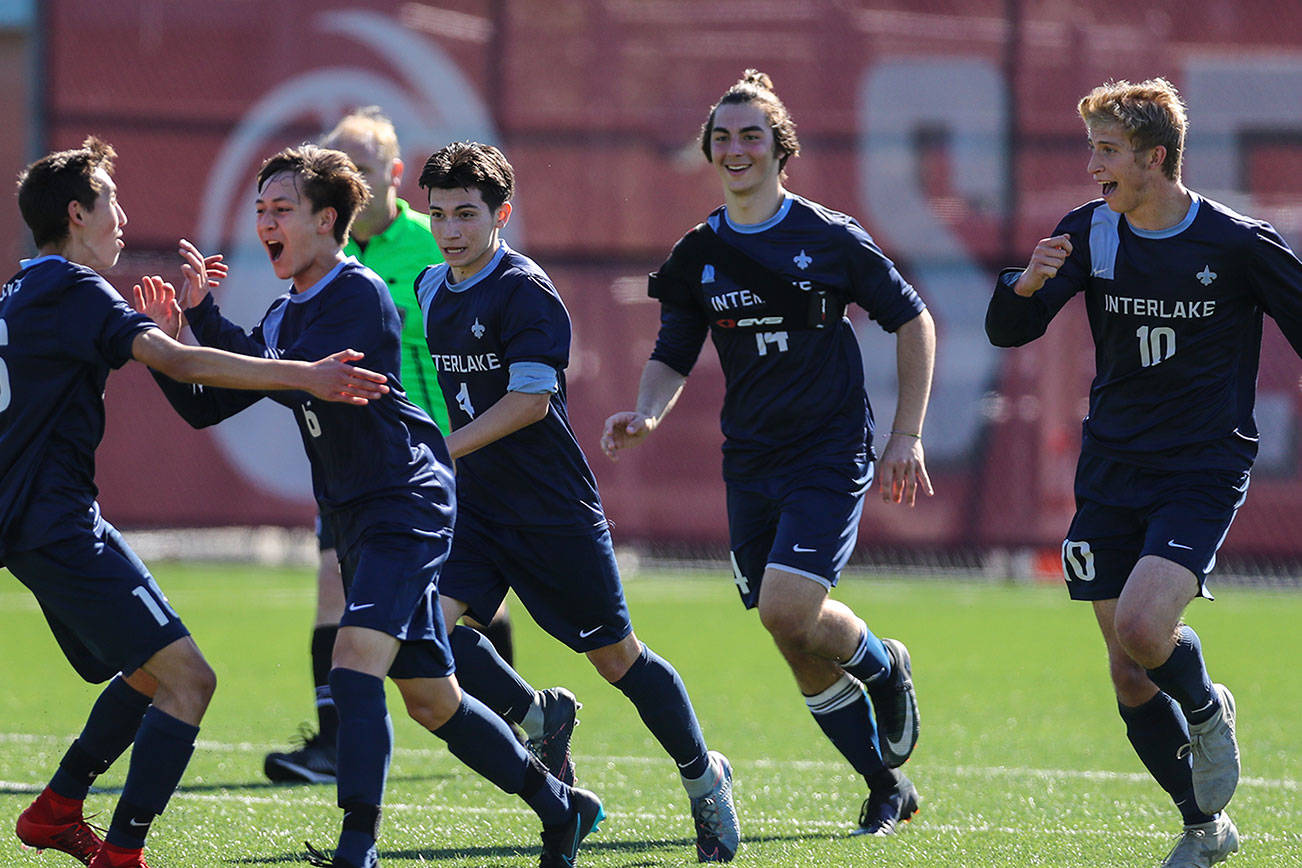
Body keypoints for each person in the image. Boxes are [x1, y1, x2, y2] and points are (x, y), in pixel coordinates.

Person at [146, 144, 602, 868]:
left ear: (327, 221)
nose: (265, 222)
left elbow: (290, 377)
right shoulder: (287, 314)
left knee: (354, 664)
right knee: (432, 700)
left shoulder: (356, 293)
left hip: (406, 504)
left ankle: (357, 847)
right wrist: (183, 334)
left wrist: (198, 348)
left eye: (281, 209)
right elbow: (210, 405)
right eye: (260, 210)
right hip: (356, 515)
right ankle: (562, 807)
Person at [4, 138, 390, 868]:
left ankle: (57, 808)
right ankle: (123, 855)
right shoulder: (74, 289)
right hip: (55, 526)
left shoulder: (23, 290)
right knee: (190, 680)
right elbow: (179, 366)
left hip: (38, 523)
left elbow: (184, 381)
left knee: (148, 669)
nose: (123, 217)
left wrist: (189, 321)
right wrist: (305, 375)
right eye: (112, 201)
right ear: (79, 213)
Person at [601, 70, 936, 837]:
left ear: (780, 149)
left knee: (789, 607)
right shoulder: (697, 254)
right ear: (709, 154)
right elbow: (674, 349)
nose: (735, 147)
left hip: (828, 449)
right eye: (722, 136)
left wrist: (904, 436)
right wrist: (646, 413)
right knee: (789, 633)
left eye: (752, 134)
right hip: (749, 460)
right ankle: (885, 785)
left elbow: (912, 320)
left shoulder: (829, 237)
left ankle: (884, 670)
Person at [984, 78, 1302, 868]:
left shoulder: (1234, 244)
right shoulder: (1090, 233)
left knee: (1141, 627)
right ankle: (1204, 828)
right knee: (1128, 674)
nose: (1094, 166)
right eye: (1092, 148)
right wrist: (1023, 286)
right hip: (1112, 467)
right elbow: (1008, 331)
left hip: (1200, 466)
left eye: (1108, 151)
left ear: (1157, 158)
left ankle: (1205, 705)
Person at [414, 140, 741, 863]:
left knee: (617, 660)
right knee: (425, 635)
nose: (450, 230)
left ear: (502, 213)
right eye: (438, 214)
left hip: (549, 510)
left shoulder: (524, 290)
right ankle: (536, 715)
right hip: (476, 509)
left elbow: (531, 402)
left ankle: (702, 778)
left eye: (467, 214)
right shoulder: (430, 288)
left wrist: (442, 447)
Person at [263, 107, 516, 787]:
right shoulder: (323, 262)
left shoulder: (434, 241)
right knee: (333, 592)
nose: (358, 185)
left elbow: (494, 325)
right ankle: (333, 744)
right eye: (342, 171)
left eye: (367, 170)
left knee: (471, 604)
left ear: (395, 174)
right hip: (356, 465)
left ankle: (523, 725)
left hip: (436, 455)